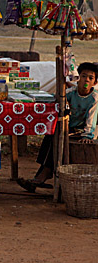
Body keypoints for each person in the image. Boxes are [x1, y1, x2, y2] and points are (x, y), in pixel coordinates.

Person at [18, 62, 98, 193]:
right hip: (67, 127)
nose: (86, 80)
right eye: (84, 76)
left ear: (94, 83)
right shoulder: (70, 93)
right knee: (51, 136)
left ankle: (42, 175)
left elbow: (91, 118)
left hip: (82, 131)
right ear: (79, 78)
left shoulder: (94, 98)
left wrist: (87, 135)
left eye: (91, 78)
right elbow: (59, 103)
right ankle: (42, 174)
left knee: (56, 139)